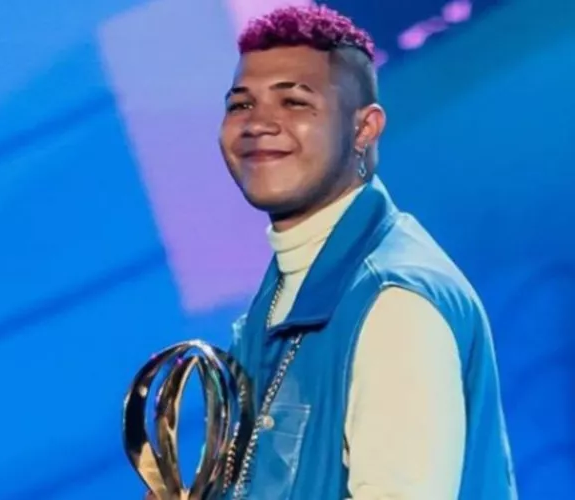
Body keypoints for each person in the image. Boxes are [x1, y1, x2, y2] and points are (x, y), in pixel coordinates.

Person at [215, 5, 516, 500]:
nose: (258, 124)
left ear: (364, 129)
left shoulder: (394, 303)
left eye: (294, 102)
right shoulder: (282, 293)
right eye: (241, 105)